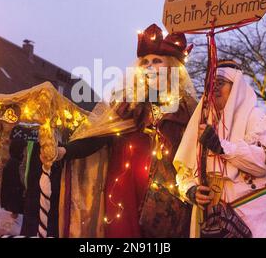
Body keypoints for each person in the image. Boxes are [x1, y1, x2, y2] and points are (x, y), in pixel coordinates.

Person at [57, 23, 197, 238]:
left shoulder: (187, 108)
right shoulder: (127, 103)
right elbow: (98, 136)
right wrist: (66, 151)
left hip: (168, 193)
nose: (149, 66)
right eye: (145, 62)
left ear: (172, 67)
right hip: (123, 189)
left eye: (157, 61)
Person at [173, 60, 266, 238]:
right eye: (210, 84)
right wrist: (191, 190)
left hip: (256, 217)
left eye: (220, 83)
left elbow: (265, 163)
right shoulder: (202, 120)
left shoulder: (255, 118)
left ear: (236, 88)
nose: (214, 88)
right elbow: (183, 171)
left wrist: (221, 146)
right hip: (211, 222)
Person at [1, 139, 26, 218]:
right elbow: (15, 187)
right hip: (16, 205)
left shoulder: (11, 163)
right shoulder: (16, 164)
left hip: (12, 205)